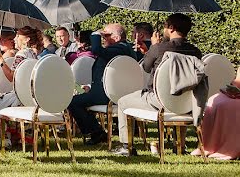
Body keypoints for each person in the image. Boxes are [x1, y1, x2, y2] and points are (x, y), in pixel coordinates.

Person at [112, 13, 202, 156]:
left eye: (165, 26)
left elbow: (146, 67)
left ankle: (126, 146)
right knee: (181, 97)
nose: (164, 29)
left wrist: (153, 47)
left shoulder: (159, 48)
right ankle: (179, 146)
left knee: (123, 102)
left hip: (158, 100)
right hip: (186, 101)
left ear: (171, 28)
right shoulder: (195, 52)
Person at [68, 23, 134, 145]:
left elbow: (96, 50)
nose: (103, 38)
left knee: (73, 102)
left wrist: (96, 34)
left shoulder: (119, 49)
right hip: (110, 91)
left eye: (106, 35)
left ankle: (96, 132)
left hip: (108, 94)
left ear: (117, 38)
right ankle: (96, 131)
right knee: (79, 100)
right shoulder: (126, 48)